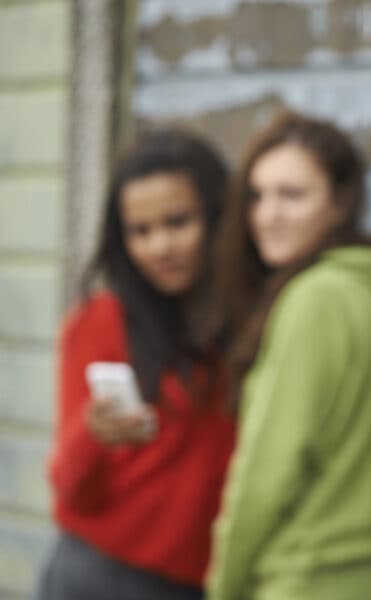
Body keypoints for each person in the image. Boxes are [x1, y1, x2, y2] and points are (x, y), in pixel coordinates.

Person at [206, 112, 371, 600]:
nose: (267, 214)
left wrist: (222, 587)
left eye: (292, 194)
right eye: (257, 195)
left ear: (340, 202)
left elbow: (266, 474)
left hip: (309, 581)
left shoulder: (315, 300)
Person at [37, 130, 235, 599]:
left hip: (207, 582)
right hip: (99, 573)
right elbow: (68, 485)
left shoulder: (247, 321)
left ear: (218, 217)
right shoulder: (98, 321)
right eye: (140, 231)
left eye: (177, 222)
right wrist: (92, 434)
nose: (160, 246)